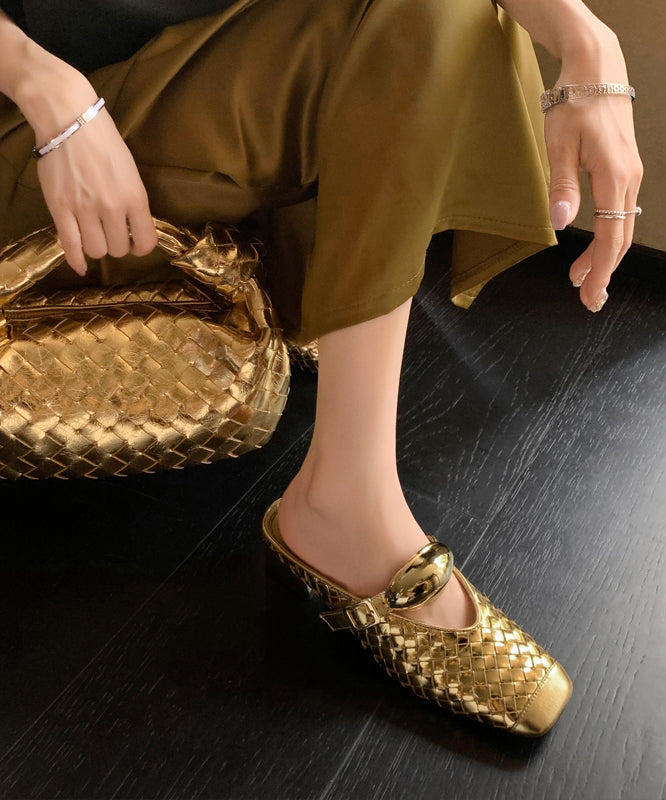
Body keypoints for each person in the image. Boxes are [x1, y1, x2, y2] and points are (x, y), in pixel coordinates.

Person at [0, 0, 643, 736]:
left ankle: (340, 481)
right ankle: (348, 507)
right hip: (35, 127)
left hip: (159, 72)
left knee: (442, 12)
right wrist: (45, 88)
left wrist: (587, 41)